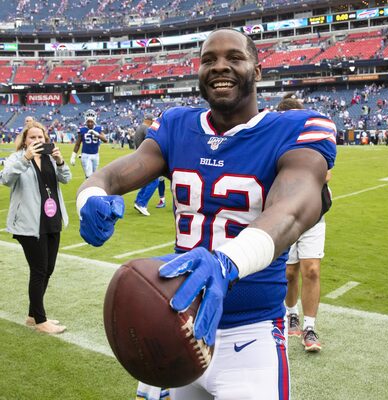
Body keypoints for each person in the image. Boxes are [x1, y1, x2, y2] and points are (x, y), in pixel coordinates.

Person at [76, 28, 336, 399]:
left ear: (257, 71)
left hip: (250, 333)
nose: (219, 66)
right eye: (208, 60)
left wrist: (227, 261)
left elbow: (293, 209)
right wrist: (90, 197)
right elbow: (115, 174)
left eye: (234, 57)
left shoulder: (294, 128)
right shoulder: (177, 125)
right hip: (175, 323)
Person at [0, 121, 71, 334]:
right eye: (32, 137)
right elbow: (5, 179)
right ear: (25, 140)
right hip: (29, 223)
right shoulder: (17, 158)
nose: (37, 140)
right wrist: (26, 158)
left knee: (48, 269)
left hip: (52, 219)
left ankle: (32, 316)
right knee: (39, 270)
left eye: (40, 137)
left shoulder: (50, 158)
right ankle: (41, 321)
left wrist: (60, 161)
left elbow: (66, 179)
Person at [277, 95, 331, 353]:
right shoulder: (275, 140)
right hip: (285, 214)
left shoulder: (315, 140)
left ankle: (310, 327)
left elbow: (326, 173)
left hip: (312, 214)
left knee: (312, 270)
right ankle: (291, 314)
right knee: (289, 272)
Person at [132, 113, 166, 216]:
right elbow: (153, 140)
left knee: (147, 181)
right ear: (149, 120)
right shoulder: (146, 128)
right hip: (147, 158)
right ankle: (142, 203)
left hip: (139, 157)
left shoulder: (139, 128)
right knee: (154, 182)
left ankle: (139, 201)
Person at [70, 109, 108, 179]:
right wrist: (73, 156)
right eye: (88, 121)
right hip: (86, 155)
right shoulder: (82, 130)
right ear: (85, 121)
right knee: (89, 176)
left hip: (96, 155)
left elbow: (105, 140)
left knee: (94, 176)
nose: (90, 123)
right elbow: (77, 144)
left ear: (94, 121)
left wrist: (96, 134)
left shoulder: (98, 129)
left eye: (91, 121)